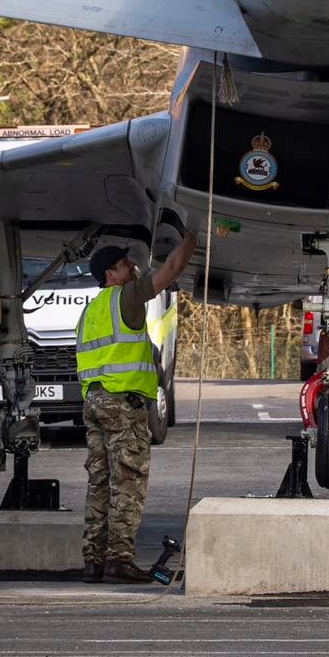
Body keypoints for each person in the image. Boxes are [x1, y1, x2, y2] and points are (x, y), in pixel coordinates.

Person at [77, 232, 196, 583]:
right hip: (122, 404)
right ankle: (120, 561)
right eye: (124, 264)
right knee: (128, 482)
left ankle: (93, 561)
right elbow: (172, 268)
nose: (132, 266)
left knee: (100, 483)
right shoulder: (126, 297)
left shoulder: (91, 310)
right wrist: (192, 237)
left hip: (95, 402)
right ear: (110, 276)